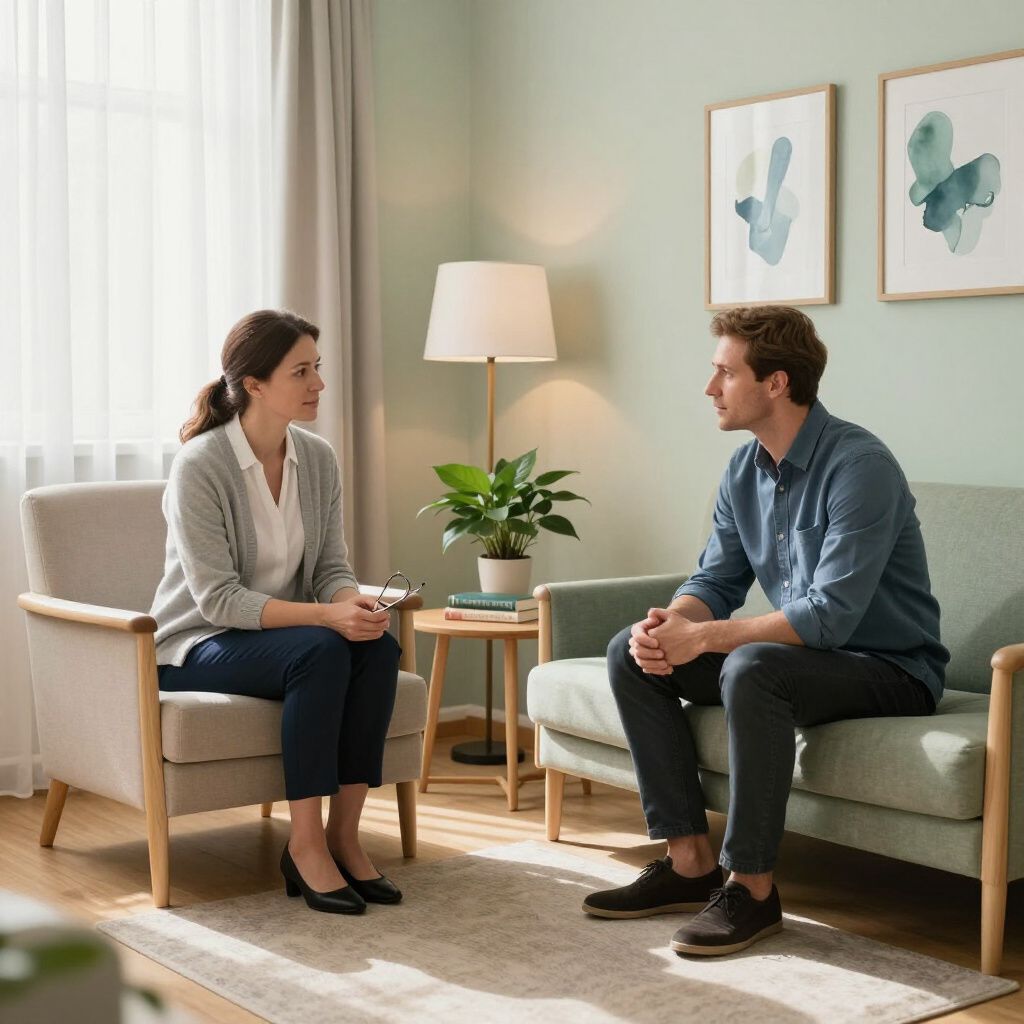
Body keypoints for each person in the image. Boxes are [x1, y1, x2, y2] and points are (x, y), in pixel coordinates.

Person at [583, 305, 948, 956]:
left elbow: (828, 617)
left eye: (724, 372)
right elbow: (715, 581)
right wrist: (673, 625)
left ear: (775, 383)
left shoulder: (860, 466)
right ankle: (691, 864)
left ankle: (752, 889)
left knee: (754, 666)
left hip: (891, 668)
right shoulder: (744, 470)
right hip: (809, 662)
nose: (709, 387)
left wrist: (710, 638)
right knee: (630, 653)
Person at [151, 309, 402, 916]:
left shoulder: (316, 460)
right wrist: (326, 620)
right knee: (322, 651)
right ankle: (306, 843)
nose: (319, 384)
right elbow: (218, 599)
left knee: (378, 646)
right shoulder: (201, 466)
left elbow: (331, 571)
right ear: (255, 384)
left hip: (278, 639)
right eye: (302, 371)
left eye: (318, 368)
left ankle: (344, 833)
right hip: (196, 643)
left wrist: (354, 605)